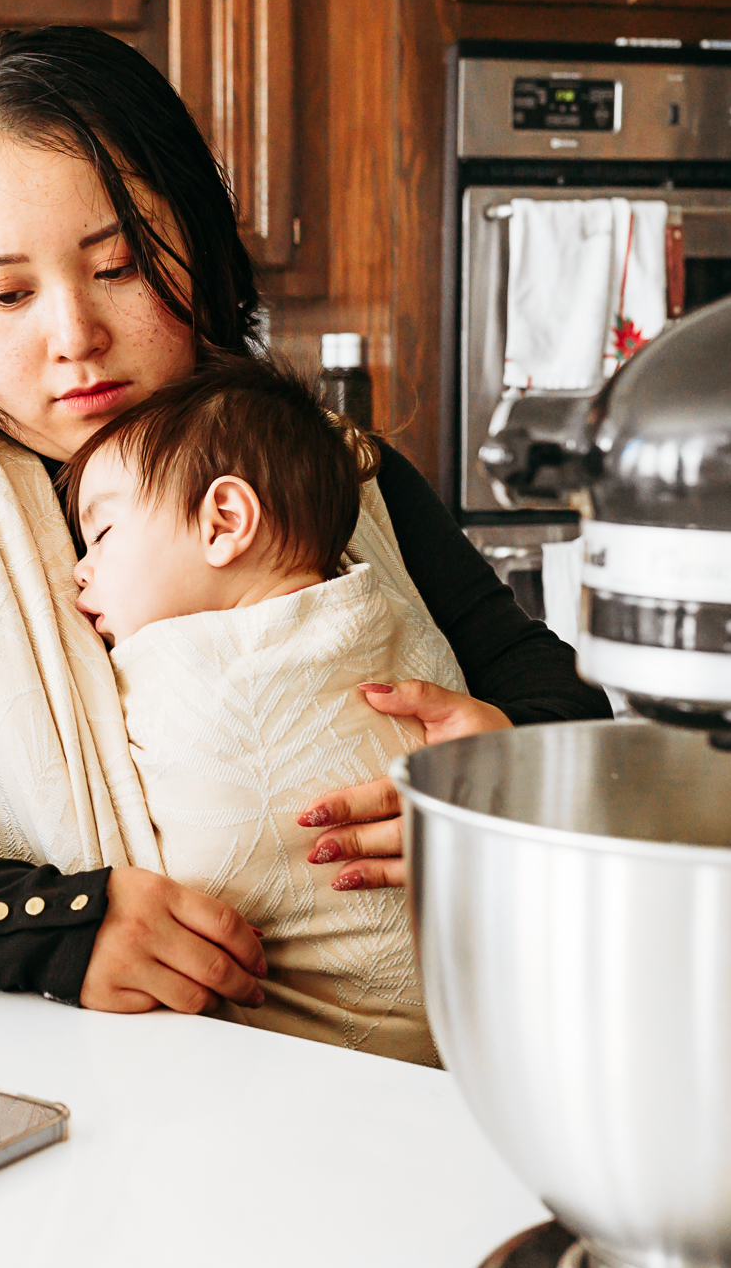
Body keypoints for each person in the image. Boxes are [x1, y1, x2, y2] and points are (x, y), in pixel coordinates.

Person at [0, 25, 610, 1023]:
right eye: (6, 293)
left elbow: (563, 710)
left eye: (118, 267)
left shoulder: (340, 474)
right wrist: (47, 926)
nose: (72, 337)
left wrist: (506, 780)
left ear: (197, 248)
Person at [62, 357, 455, 1063]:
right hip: (465, 1037)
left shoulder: (182, 672)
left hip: (322, 1070)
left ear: (225, 520)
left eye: (105, 534)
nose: (78, 570)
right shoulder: (389, 610)